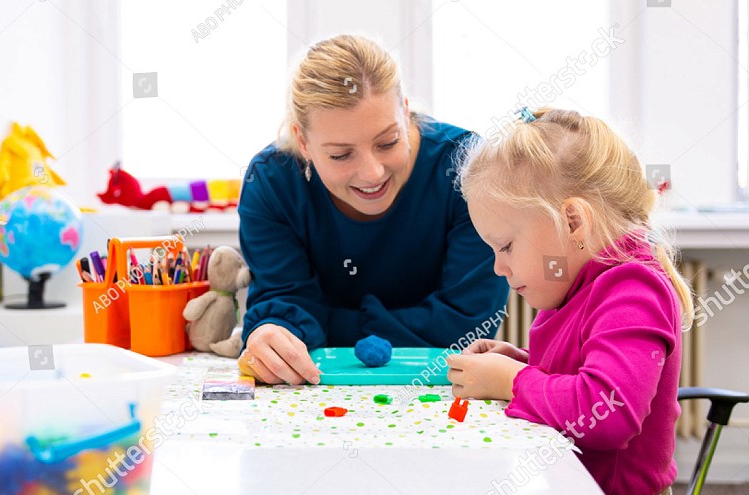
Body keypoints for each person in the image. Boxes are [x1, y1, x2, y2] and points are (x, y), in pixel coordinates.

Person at [237, 34, 509, 386]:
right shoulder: (271, 182)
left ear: (405, 110)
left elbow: (467, 322)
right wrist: (272, 334)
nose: (372, 173)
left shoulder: (468, 168)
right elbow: (283, 304)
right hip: (317, 392)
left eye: (388, 142)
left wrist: (326, 324)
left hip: (443, 387)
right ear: (302, 142)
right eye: (340, 154)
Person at [447, 107, 692, 495]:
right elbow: (584, 370)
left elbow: (606, 412)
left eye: (506, 246)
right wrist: (523, 362)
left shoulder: (633, 289)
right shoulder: (581, 282)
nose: (498, 268)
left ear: (573, 222)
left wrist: (512, 382)